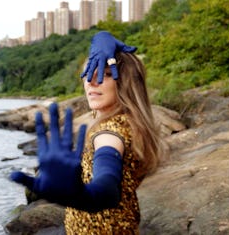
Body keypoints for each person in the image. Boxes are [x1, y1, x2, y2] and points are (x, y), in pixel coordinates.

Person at [10, 31, 163, 234]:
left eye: (105, 74)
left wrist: (81, 195)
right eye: (88, 73)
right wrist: (102, 36)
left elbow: (107, 182)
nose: (91, 82)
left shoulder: (108, 133)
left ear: (126, 82)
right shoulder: (132, 122)